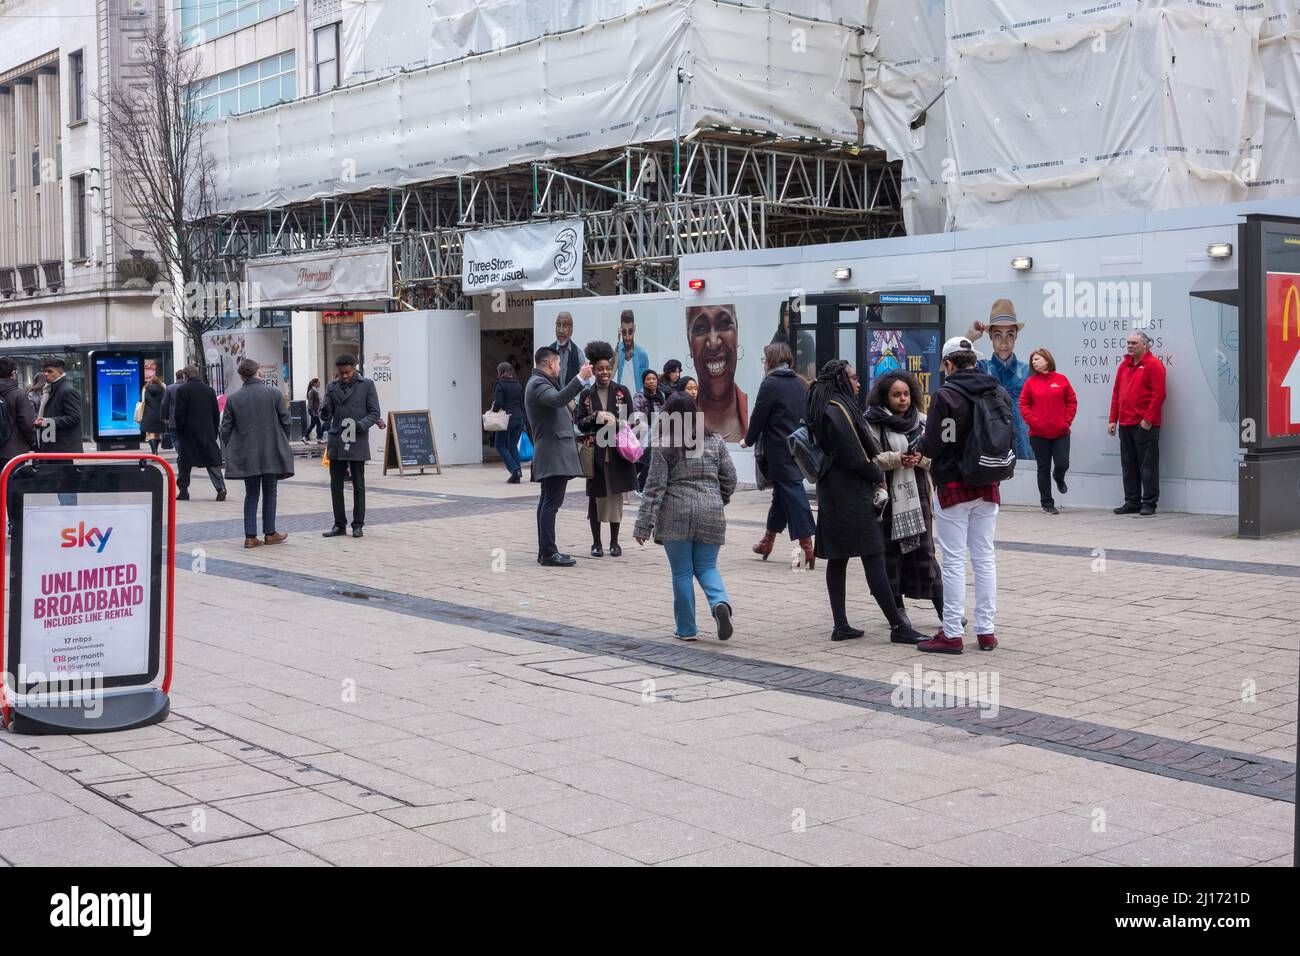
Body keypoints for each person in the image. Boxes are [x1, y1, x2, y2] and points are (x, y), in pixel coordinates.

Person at [807, 360, 928, 645]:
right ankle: (898, 625)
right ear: (840, 379)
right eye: (853, 377)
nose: (858, 383)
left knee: (838, 559)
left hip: (832, 492)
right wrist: (877, 475)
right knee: (873, 556)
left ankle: (841, 625)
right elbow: (856, 456)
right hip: (850, 494)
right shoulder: (837, 410)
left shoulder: (826, 406)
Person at [916, 336, 1008, 655]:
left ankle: (952, 632)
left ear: (949, 364)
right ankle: (986, 631)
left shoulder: (947, 395)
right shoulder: (995, 388)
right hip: (989, 480)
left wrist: (922, 448)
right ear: (974, 361)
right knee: (984, 557)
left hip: (954, 482)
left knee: (954, 559)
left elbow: (941, 441)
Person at [634, 392, 736, 642]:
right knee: (707, 567)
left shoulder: (663, 444)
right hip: (711, 511)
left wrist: (643, 526)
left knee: (682, 573)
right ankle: (719, 603)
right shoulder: (715, 441)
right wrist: (718, 496)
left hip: (675, 513)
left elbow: (654, 487)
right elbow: (730, 478)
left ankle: (687, 629)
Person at [866, 369, 942, 629]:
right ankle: (897, 611)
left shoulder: (922, 421)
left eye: (906, 394)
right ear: (884, 397)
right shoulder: (873, 423)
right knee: (892, 557)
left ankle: (945, 611)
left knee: (926, 554)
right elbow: (870, 460)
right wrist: (897, 459)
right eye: (896, 395)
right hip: (889, 501)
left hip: (919, 496)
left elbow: (938, 458)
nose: (903, 400)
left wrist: (920, 459)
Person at [741, 342, 814, 565]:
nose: (764, 363)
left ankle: (807, 545)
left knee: (792, 493)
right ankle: (768, 540)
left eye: (765, 359)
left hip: (778, 449)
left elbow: (759, 415)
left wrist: (748, 439)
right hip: (798, 448)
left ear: (771, 359)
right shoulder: (800, 383)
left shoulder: (770, 383)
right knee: (781, 495)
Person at [524, 346, 593, 567]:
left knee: (548, 502)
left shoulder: (540, 383)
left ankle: (546, 550)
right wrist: (580, 379)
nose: (560, 368)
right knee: (551, 503)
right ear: (551, 363)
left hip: (554, 452)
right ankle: (548, 553)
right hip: (553, 454)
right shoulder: (538, 384)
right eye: (559, 364)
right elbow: (557, 399)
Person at [219, 358, 293, 548]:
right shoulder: (274, 393)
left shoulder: (234, 398)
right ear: (258, 372)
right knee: (270, 492)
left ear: (242, 376)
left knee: (251, 494)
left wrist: (232, 448)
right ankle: (270, 533)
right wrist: (281, 440)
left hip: (247, 453)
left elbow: (225, 429)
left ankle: (250, 536)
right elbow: (286, 421)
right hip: (271, 451)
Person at [575, 340, 638, 557]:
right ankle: (596, 543)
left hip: (617, 453)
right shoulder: (585, 395)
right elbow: (579, 422)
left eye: (608, 368)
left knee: (616, 498)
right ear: (592, 370)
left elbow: (633, 420)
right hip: (595, 455)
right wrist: (596, 416)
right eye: (600, 369)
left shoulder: (621, 392)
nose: (605, 372)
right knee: (595, 497)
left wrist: (619, 422)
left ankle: (614, 542)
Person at [321, 354, 382, 539]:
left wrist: (360, 425)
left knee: (358, 484)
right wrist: (324, 410)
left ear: (354, 368)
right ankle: (339, 524)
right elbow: (326, 415)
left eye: (348, 372)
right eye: (341, 373)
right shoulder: (331, 387)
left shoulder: (367, 385)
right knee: (335, 485)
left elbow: (374, 413)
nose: (345, 376)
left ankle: (358, 524)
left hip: (357, 439)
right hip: (337, 439)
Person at [966, 298, 1033, 460]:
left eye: (1010, 335)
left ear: (1016, 335)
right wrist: (969, 338)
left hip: (1024, 452)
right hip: (990, 454)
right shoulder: (980, 369)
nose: (1004, 342)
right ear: (990, 336)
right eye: (998, 335)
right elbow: (949, 368)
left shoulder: (1029, 372)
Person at [1108, 330, 1166, 517]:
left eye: (1134, 343)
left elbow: (1159, 395)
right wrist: (1112, 420)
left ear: (1145, 345)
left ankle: (1149, 503)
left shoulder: (1153, 365)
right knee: (1128, 465)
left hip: (1144, 425)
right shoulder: (1124, 366)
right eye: (1128, 343)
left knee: (1147, 466)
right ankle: (1131, 501)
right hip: (1125, 423)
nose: (1130, 346)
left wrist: (1147, 420)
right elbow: (1116, 393)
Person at [1019, 347, 1078, 515]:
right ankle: (1047, 503)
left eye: (1037, 359)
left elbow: (1072, 401)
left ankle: (1059, 477)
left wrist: (1066, 422)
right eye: (1032, 360)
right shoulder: (1030, 382)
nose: (1033, 362)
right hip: (1038, 435)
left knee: (1062, 463)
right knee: (1043, 468)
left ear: (1047, 360)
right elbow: (1023, 404)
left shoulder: (1061, 380)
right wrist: (1033, 422)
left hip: (1061, 433)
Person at [686, 303, 748, 442]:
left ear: (737, 333)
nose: (713, 343)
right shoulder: (680, 417)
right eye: (700, 328)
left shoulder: (755, 408)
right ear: (689, 343)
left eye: (724, 324)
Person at [174, 366, 228, 502]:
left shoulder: (183, 390)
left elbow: (179, 414)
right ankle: (221, 488)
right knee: (212, 461)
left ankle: (183, 491)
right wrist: (214, 430)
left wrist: (179, 430)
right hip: (207, 432)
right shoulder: (209, 390)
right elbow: (216, 413)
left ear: (185, 376)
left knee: (184, 463)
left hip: (188, 433)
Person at [34, 358, 83, 453]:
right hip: (51, 441)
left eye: (50, 371)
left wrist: (47, 421)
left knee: (56, 467)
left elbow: (75, 417)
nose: (46, 374)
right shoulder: (50, 388)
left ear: (60, 372)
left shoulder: (67, 390)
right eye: (45, 371)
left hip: (60, 446)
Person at [490, 361, 526, 483]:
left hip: (506, 419)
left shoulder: (500, 385)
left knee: (499, 445)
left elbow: (498, 403)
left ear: (500, 372)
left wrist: (494, 411)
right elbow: (522, 403)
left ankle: (514, 469)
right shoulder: (518, 384)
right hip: (519, 418)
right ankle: (518, 473)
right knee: (513, 446)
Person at [631, 368, 666, 492]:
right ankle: (637, 485)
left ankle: (635, 484)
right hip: (644, 433)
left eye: (654, 379)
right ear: (644, 381)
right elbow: (636, 415)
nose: (651, 381)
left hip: (659, 432)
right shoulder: (639, 395)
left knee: (646, 459)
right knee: (646, 459)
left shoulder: (661, 394)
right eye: (648, 379)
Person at [0, 355, 36, 470]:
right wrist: (32, 442)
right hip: (13, 452)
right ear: (12, 374)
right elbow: (27, 424)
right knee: (11, 486)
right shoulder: (18, 395)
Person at [771, 298, 817, 381]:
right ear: (782, 317)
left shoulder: (806, 339)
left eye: (793, 314)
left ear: (798, 316)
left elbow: (812, 376)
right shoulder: (778, 337)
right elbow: (769, 371)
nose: (790, 320)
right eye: (786, 314)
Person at [615, 309, 650, 396]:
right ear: (620, 331)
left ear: (634, 329)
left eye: (630, 332)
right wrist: (618, 341)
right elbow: (611, 374)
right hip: (621, 400)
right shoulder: (617, 350)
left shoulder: (642, 354)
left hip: (637, 400)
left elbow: (646, 381)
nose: (627, 337)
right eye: (624, 332)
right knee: (622, 410)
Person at [549, 312, 584, 386]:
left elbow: (585, 382)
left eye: (564, 326)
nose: (560, 331)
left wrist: (576, 397)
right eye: (558, 325)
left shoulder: (578, 354)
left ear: (571, 330)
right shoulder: (548, 353)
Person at [139, 374, 166, 455]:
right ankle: (156, 450)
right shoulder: (163, 389)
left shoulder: (145, 389)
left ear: (150, 381)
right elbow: (165, 402)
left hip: (148, 414)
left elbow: (142, 401)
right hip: (159, 414)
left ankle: (154, 452)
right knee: (157, 433)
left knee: (151, 434)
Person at [162, 370, 186, 457]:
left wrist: (164, 417)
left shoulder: (170, 388)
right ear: (183, 376)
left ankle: (181, 455)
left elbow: (164, 403)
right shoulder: (187, 387)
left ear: (176, 377)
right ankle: (185, 455)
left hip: (173, 419)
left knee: (175, 439)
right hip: (187, 419)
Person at [303, 378, 324, 443]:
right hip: (313, 411)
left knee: (312, 425)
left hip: (315, 411)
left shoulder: (316, 391)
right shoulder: (312, 391)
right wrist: (314, 412)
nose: (319, 383)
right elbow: (311, 403)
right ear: (315, 384)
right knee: (318, 424)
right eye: (318, 382)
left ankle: (304, 437)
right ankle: (319, 438)